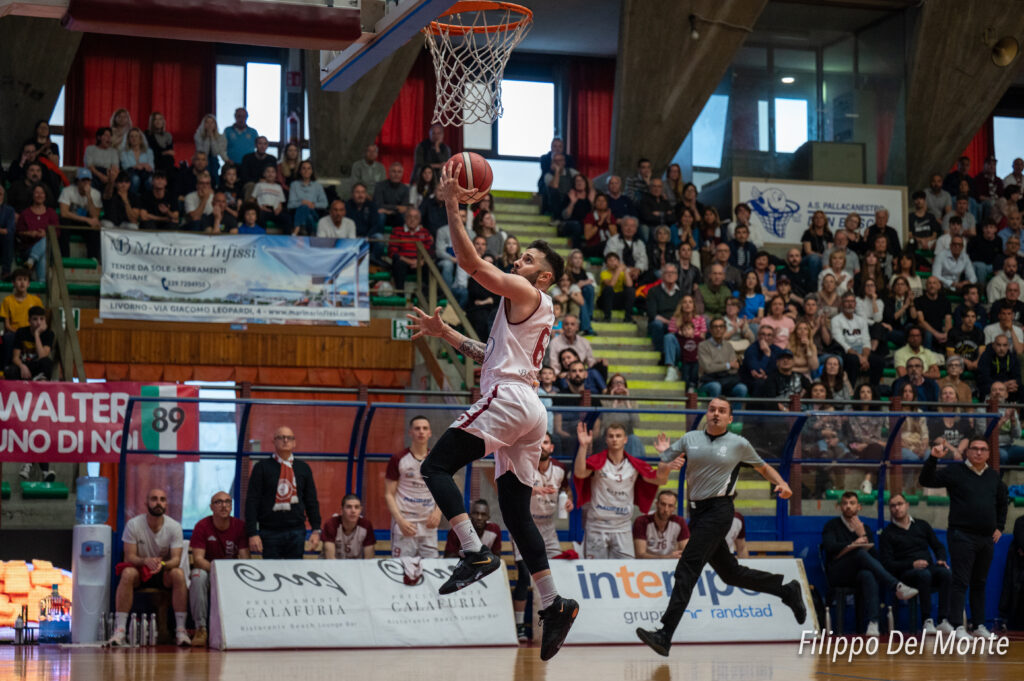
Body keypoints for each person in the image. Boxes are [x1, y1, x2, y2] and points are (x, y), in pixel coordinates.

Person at [405, 160, 578, 660]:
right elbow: (491, 353)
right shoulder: (528, 309)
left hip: (510, 399)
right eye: (520, 256)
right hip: (529, 409)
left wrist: (452, 205)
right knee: (518, 515)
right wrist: (446, 333)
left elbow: (472, 265)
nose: (518, 260)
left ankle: (475, 551)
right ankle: (555, 603)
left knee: (435, 466)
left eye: (527, 258)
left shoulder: (528, 291)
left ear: (544, 275)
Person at [635, 399, 808, 656]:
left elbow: (763, 468)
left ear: (730, 418)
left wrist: (782, 483)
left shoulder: (739, 443)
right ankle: (786, 590)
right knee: (731, 574)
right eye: (712, 409)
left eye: (722, 411)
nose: (716, 413)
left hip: (719, 510)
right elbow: (661, 475)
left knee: (687, 567)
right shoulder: (690, 439)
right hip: (697, 512)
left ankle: (665, 634)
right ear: (707, 413)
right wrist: (665, 459)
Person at [919, 438, 1008, 639]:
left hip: (986, 538)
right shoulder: (955, 471)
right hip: (962, 535)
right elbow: (926, 480)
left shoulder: (993, 476)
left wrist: (1000, 527)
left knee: (980, 582)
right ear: (967, 452)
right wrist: (933, 458)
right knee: (960, 581)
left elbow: (1003, 502)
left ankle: (979, 625)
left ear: (988, 454)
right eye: (975, 449)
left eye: (983, 449)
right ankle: (958, 625)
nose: (979, 452)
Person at [575, 422, 682, 559]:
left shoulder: (634, 465)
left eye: (618, 436)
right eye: (611, 436)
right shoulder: (597, 462)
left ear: (625, 439)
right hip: (597, 525)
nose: (614, 439)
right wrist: (583, 446)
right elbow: (579, 473)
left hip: (622, 526)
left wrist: (665, 456)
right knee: (595, 569)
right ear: (606, 439)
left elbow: (660, 479)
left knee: (626, 568)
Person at [820, 492, 920, 636]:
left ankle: (873, 623)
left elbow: (873, 557)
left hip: (856, 574)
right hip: (837, 573)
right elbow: (829, 547)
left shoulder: (864, 528)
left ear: (859, 507)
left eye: (852, 503)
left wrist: (862, 535)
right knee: (859, 553)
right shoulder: (832, 525)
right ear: (840, 506)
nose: (848, 506)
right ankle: (896, 586)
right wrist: (854, 543)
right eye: (845, 503)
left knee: (868, 574)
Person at [108, 489, 190, 647]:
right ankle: (120, 631)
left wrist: (162, 564)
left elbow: (176, 560)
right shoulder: (133, 524)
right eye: (154, 499)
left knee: (179, 574)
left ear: (166, 504)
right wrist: (145, 561)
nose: (158, 503)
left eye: (162, 499)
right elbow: (129, 557)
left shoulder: (174, 526)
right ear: (146, 503)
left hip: (163, 571)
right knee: (127, 573)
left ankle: (181, 631)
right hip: (140, 571)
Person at [511, 431, 571, 641]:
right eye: (539, 442)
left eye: (546, 442)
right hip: (525, 524)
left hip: (548, 527)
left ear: (551, 447)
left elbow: (566, 489)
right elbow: (508, 492)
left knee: (558, 572)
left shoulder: (561, 469)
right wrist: (532, 491)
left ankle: (554, 622)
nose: (542, 446)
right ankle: (519, 625)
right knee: (524, 574)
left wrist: (569, 500)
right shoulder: (523, 465)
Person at [878, 493, 953, 634]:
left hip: (928, 567)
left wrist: (941, 559)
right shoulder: (887, 533)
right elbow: (887, 563)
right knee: (923, 575)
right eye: (893, 506)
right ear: (890, 509)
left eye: (900, 504)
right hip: (905, 574)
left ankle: (943, 620)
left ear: (907, 505)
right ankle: (927, 620)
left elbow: (938, 546)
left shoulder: (922, 525)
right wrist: (912, 564)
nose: (897, 508)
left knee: (945, 574)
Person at [244, 426, 322, 559]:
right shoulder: (261, 467)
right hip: (269, 531)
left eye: (289, 438)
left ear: (294, 443)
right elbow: (252, 501)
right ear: (273, 441)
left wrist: (316, 530)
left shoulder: (303, 468)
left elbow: (311, 501)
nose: (285, 440)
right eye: (281, 437)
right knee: (271, 570)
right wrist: (252, 533)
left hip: (297, 530)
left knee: (295, 570)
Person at [188, 491, 248, 647]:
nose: (224, 505)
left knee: (247, 577)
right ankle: (201, 628)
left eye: (228, 502)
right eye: (219, 502)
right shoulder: (202, 526)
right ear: (211, 507)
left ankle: (240, 627)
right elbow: (198, 560)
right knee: (197, 575)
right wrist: (218, 571)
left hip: (232, 573)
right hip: (210, 571)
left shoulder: (240, 526)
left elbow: (245, 560)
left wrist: (230, 574)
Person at [385, 415, 441, 558]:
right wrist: (400, 521)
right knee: (402, 567)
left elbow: (444, 490)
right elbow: (389, 494)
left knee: (431, 567)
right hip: (405, 523)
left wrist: (438, 512)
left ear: (430, 433)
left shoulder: (436, 459)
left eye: (425, 428)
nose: (421, 431)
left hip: (428, 523)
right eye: (417, 428)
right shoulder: (398, 459)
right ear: (410, 432)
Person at [697, 317, 748, 398]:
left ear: (725, 329)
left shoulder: (728, 346)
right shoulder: (703, 346)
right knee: (716, 387)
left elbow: (735, 368)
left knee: (742, 388)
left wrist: (717, 365)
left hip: (726, 380)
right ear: (710, 330)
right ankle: (715, 406)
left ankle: (734, 407)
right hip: (708, 381)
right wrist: (728, 365)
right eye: (715, 327)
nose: (718, 329)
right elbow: (708, 368)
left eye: (721, 326)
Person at [633, 490, 690, 559]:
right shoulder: (642, 521)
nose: (666, 509)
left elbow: (686, 552)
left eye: (670, 506)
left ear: (674, 508)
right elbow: (639, 555)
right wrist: (668, 557)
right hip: (646, 564)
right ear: (657, 504)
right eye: (663, 504)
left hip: (670, 563)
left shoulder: (680, 522)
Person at [4, 304, 54, 381]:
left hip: (37, 366)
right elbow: (15, 358)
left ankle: (41, 382)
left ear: (45, 320)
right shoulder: (21, 332)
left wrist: (36, 334)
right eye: (35, 319)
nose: (39, 322)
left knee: (47, 362)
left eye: (41, 319)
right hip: (24, 365)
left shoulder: (48, 334)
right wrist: (22, 366)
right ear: (29, 320)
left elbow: (42, 356)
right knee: (10, 370)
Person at [388, 207, 433, 291]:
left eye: (416, 217)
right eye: (409, 217)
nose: (412, 220)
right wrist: (410, 261)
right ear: (405, 218)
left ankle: (428, 294)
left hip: (420, 263)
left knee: (431, 265)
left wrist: (421, 262)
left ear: (419, 220)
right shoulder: (397, 231)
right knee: (398, 264)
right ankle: (400, 293)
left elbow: (430, 251)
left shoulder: (425, 232)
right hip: (403, 262)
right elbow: (392, 252)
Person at [322, 494, 376, 559]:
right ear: (341, 510)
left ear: (360, 510)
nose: (353, 511)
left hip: (355, 564)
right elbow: (330, 558)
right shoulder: (331, 524)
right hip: (330, 564)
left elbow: (369, 558)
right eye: (349, 507)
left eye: (356, 507)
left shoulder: (366, 525)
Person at [596, 251, 635, 322]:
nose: (613, 262)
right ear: (606, 264)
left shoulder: (622, 273)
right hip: (604, 301)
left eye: (615, 260)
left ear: (619, 262)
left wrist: (625, 271)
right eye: (610, 260)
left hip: (617, 301)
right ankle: (607, 317)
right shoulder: (604, 273)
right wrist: (619, 270)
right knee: (608, 289)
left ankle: (628, 317)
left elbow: (629, 285)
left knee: (631, 291)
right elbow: (611, 284)